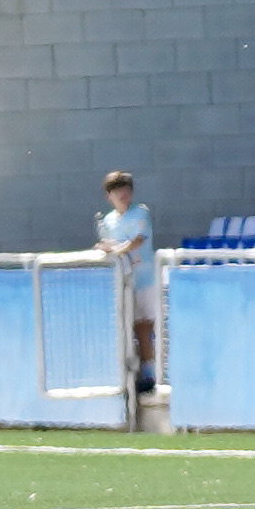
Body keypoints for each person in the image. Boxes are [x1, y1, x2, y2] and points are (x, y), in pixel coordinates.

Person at [96, 169, 158, 394]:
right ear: (108, 196)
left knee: (146, 324)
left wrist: (117, 250)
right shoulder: (109, 221)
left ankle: (151, 373)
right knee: (128, 326)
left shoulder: (140, 214)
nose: (122, 195)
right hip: (122, 281)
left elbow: (137, 240)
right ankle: (134, 372)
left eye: (125, 190)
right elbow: (108, 243)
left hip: (144, 278)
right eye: (116, 191)